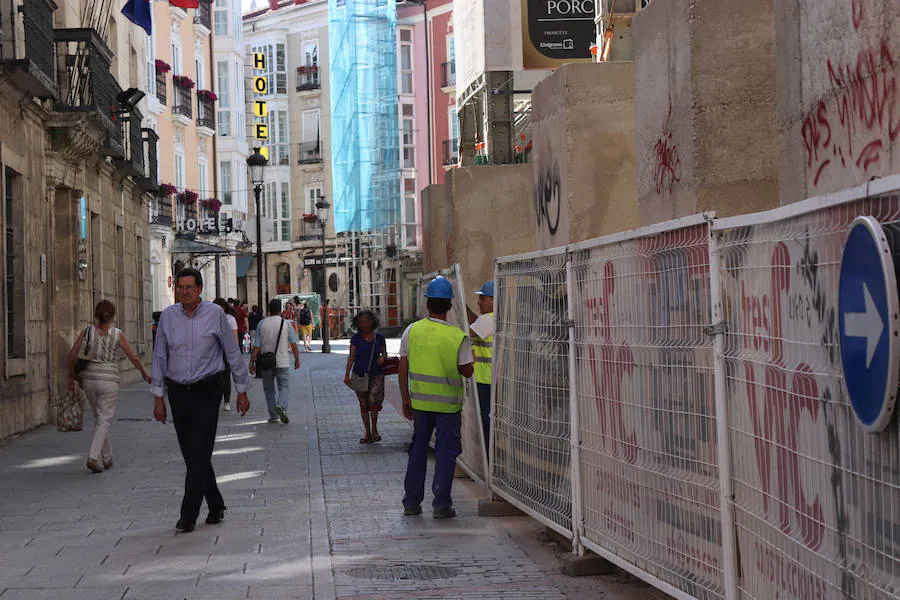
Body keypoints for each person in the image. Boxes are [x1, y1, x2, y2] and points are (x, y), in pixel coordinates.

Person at [151, 268, 251, 533]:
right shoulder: (168, 317)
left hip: (208, 389)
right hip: (178, 391)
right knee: (192, 453)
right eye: (180, 288)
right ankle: (216, 503)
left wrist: (241, 389)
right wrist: (158, 397)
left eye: (189, 288)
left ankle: (188, 514)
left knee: (200, 450)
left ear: (199, 289)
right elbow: (160, 356)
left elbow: (232, 351)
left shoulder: (215, 314)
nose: (184, 292)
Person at [401, 277, 474, 519]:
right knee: (445, 453)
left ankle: (411, 502)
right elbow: (467, 370)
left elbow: (403, 366)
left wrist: (405, 398)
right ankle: (441, 505)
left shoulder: (412, 331)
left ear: (427, 304)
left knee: (418, 451)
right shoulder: (457, 336)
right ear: (450, 306)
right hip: (448, 407)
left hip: (420, 404)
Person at [67, 300, 151, 474]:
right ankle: (93, 457)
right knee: (104, 419)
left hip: (88, 380)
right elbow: (133, 357)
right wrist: (144, 372)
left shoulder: (87, 331)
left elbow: (72, 354)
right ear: (113, 316)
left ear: (96, 315)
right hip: (109, 381)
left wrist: (71, 375)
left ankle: (108, 457)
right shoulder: (117, 334)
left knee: (100, 418)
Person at [250, 298, 301, 424]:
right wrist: (297, 359)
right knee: (284, 386)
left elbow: (256, 346)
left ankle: (273, 416)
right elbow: (293, 344)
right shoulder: (286, 323)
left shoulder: (262, 323)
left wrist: (251, 362)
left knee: (269, 389)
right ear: (281, 310)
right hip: (282, 361)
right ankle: (282, 406)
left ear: (269, 309)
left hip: (266, 362)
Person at [344, 310, 387, 443]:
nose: (363, 324)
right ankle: (367, 432)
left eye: (366, 321)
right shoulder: (356, 339)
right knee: (363, 403)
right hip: (360, 374)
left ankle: (374, 429)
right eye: (361, 321)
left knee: (374, 401)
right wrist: (347, 374)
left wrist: (382, 358)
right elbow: (351, 356)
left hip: (376, 374)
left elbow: (384, 353)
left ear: (372, 321)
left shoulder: (379, 337)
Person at [468, 281, 495, 457]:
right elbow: (473, 322)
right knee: (486, 419)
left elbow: (467, 331)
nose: (478, 302)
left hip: (483, 379)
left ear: (493, 299)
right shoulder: (491, 318)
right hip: (488, 378)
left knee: (483, 420)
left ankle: (486, 458)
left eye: (482, 298)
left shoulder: (488, 319)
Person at [213, 298, 239, 412]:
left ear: (224, 307)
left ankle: (226, 401)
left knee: (226, 376)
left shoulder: (230, 319)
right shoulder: (210, 318)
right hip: (212, 351)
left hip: (225, 351)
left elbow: (234, 336)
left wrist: (235, 351)